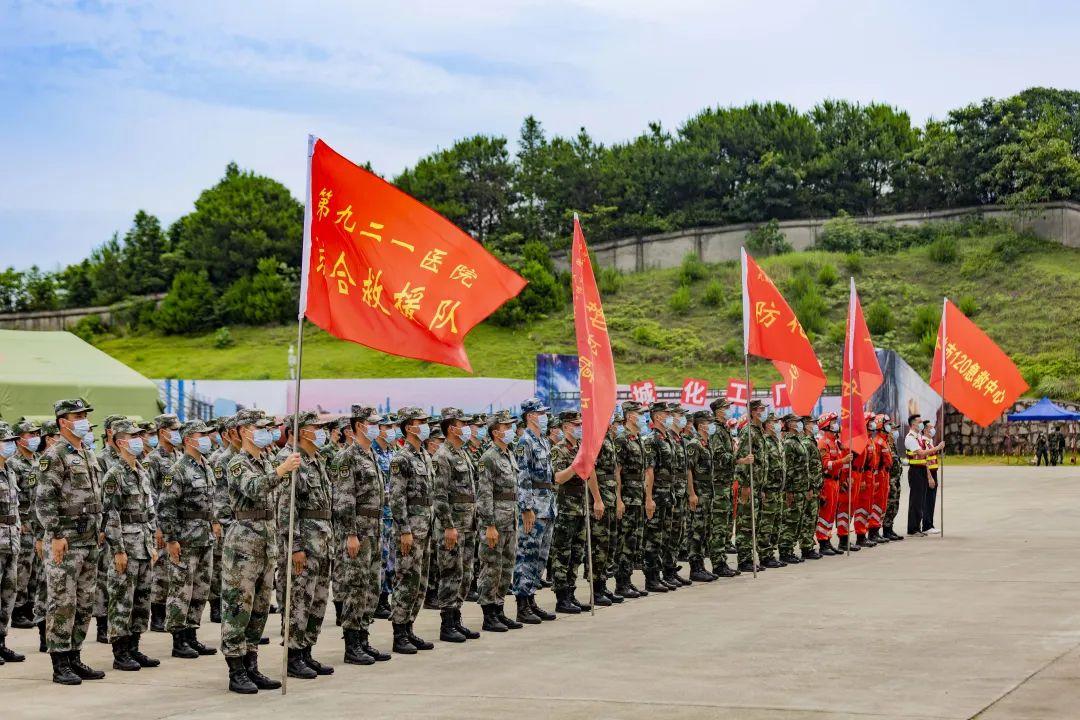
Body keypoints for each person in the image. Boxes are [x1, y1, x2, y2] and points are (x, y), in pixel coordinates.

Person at [220, 409, 301, 694]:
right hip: (243, 543)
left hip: (266, 541)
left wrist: (285, 469)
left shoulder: (265, 458)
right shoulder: (236, 463)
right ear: (243, 430)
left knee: (259, 608)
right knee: (238, 606)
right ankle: (236, 669)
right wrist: (281, 471)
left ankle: (251, 664)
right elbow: (254, 488)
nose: (266, 431)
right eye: (259, 426)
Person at [36, 398, 106, 685]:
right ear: (63, 422)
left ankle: (75, 656)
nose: (84, 420)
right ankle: (59, 662)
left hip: (89, 539)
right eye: (78, 415)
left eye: (85, 415)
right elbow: (44, 499)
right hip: (66, 539)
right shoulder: (55, 455)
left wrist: (100, 528)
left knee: (84, 601)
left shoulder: (88, 454)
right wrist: (55, 534)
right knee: (62, 601)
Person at [277, 411, 334, 679]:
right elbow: (287, 509)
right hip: (305, 543)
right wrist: (296, 545)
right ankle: (293, 654)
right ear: (299, 431)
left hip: (322, 540)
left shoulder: (316, 459)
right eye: (314, 427)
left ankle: (307, 651)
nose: (320, 432)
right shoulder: (290, 460)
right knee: (298, 599)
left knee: (317, 600)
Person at [331, 406, 391, 665]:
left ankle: (364, 637)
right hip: (359, 531)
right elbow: (345, 500)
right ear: (357, 426)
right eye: (371, 422)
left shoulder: (371, 455)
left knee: (371, 586)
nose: (377, 427)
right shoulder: (348, 457)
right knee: (356, 586)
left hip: (375, 528)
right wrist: (350, 534)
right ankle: (351, 644)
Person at [100, 418, 159, 671]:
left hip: (143, 545)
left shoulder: (141, 470)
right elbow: (110, 515)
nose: (140, 440)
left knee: (141, 600)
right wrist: (118, 550)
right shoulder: (114, 475)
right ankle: (120, 651)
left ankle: (134, 647)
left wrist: (153, 541)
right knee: (122, 600)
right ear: (121, 442)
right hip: (126, 546)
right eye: (134, 436)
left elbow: (149, 510)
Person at [158, 420, 218, 660]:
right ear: (187, 439)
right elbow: (166, 507)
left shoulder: (206, 466)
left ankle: (192, 634)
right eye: (200, 434)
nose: (205, 438)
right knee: (181, 589)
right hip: (185, 538)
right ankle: (178, 638)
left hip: (204, 537)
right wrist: (171, 539)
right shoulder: (178, 469)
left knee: (200, 590)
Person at [388, 407, 437, 653]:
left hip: (425, 527)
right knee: (406, 579)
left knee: (421, 581)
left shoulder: (424, 456)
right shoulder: (401, 458)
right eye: (421, 422)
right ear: (409, 427)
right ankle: (399, 632)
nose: (426, 426)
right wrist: (404, 530)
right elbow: (396, 498)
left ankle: (409, 627)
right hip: (410, 530)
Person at [430, 408, 480, 640]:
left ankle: (456, 617)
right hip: (452, 526)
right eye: (463, 423)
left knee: (465, 573)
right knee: (451, 573)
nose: (468, 427)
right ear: (452, 428)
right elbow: (439, 496)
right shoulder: (442, 456)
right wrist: (448, 525)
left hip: (467, 524)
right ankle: (446, 623)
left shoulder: (462, 453)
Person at [549, 410, 603, 614]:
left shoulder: (582, 448)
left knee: (577, 553)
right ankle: (561, 596)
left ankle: (571, 593)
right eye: (575, 424)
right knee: (562, 553)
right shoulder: (559, 450)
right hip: (565, 509)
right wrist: (575, 465)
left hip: (582, 507)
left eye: (581, 424)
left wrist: (597, 499)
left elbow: (590, 474)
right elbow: (558, 478)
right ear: (565, 427)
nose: (580, 428)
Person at [510, 399, 557, 618]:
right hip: (534, 508)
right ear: (530, 415)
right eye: (540, 413)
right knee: (527, 554)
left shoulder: (543, 441)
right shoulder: (524, 442)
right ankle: (521, 604)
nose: (545, 416)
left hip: (547, 505)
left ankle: (531, 598)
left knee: (540, 556)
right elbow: (522, 476)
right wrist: (526, 507)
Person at [475, 411, 520, 632]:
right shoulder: (488, 458)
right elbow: (484, 495)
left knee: (506, 567)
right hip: (495, 522)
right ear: (495, 432)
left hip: (510, 520)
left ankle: (499, 608)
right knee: (491, 567)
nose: (510, 429)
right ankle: (488, 613)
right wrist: (489, 525)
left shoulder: (508, 454)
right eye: (506, 426)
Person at [146, 414, 182, 633]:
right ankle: (157, 615)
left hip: (179, 523)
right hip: (161, 522)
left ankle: (170, 612)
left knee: (175, 569)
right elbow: (150, 494)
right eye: (174, 429)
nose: (177, 433)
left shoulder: (179, 455)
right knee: (160, 571)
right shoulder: (153, 459)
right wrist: (158, 526)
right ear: (162, 432)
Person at [8, 419, 41, 631]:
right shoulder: (14, 464)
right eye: (31, 434)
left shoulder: (39, 460)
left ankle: (30, 606)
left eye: (37, 433)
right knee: (22, 568)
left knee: (36, 569)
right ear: (20, 439)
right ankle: (18, 609)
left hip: (39, 524)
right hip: (24, 525)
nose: (35, 438)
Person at [614, 401, 649, 599]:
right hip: (627, 496)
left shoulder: (637, 438)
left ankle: (627, 580)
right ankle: (621, 583)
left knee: (633, 541)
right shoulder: (622, 439)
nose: (642, 416)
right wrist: (619, 499)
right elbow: (617, 472)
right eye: (639, 413)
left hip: (637, 496)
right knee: (624, 542)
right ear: (629, 416)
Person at [0, 422, 26, 666]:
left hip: (11, 542)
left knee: (8, 595)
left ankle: (1, 642)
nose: (11, 445)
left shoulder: (8, 470)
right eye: (6, 441)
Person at [708, 398, 741, 578]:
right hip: (718, 484)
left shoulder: (724, 429)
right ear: (718, 411)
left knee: (726, 524)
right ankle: (718, 563)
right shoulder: (715, 429)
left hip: (726, 483)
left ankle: (722, 560)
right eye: (726, 408)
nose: (729, 410)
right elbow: (718, 455)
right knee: (719, 526)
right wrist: (738, 458)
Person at [735, 400, 768, 572]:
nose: (764, 412)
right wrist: (745, 485)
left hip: (757, 485)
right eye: (761, 409)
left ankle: (750, 557)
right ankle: (744, 559)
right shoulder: (748, 431)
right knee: (746, 524)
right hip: (749, 485)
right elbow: (742, 460)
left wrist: (760, 486)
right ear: (754, 412)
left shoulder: (758, 431)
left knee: (754, 523)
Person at [685, 410, 716, 582]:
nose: (710, 425)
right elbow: (688, 470)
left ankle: (701, 566)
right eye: (708, 422)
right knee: (696, 531)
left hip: (707, 493)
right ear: (701, 425)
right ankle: (694, 568)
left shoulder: (706, 443)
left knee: (704, 531)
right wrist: (691, 493)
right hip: (698, 493)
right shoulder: (694, 444)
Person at [665, 403, 691, 587]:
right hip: (669, 492)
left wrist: (690, 492)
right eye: (679, 414)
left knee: (677, 533)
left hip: (681, 492)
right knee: (667, 533)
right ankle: (665, 571)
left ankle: (671, 568)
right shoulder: (667, 439)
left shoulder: (680, 439)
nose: (683, 418)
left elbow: (686, 469)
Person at [778, 413, 808, 564]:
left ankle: (790, 549)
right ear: (789, 424)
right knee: (790, 521)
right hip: (793, 489)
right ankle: (785, 550)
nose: (800, 423)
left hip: (801, 487)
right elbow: (787, 468)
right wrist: (788, 490)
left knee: (797, 521)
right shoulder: (789, 442)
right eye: (796, 421)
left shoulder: (798, 440)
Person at [905, 414, 942, 537]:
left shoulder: (919, 438)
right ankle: (913, 528)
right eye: (919, 422)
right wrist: (937, 448)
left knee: (920, 501)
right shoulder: (910, 438)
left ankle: (917, 527)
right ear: (913, 424)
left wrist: (928, 475)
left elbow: (925, 459)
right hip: (915, 471)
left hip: (921, 470)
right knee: (915, 501)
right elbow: (921, 453)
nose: (921, 423)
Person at [798, 416, 824, 559]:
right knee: (808, 517)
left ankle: (809, 545)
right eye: (812, 423)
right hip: (810, 487)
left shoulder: (811, 441)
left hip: (815, 486)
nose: (815, 425)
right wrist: (809, 486)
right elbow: (806, 467)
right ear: (805, 426)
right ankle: (806, 547)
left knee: (812, 517)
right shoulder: (806, 443)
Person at [853, 412, 880, 549]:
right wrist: (863, 479)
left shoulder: (869, 440)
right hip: (863, 476)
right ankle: (860, 536)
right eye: (870, 422)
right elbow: (858, 463)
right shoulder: (861, 440)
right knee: (861, 508)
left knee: (868, 507)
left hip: (871, 476)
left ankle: (864, 533)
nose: (873, 424)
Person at [922, 421, 941, 535]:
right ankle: (927, 525)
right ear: (925, 429)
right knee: (928, 500)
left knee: (932, 499)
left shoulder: (930, 441)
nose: (933, 429)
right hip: (929, 472)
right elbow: (925, 460)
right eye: (930, 427)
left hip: (934, 471)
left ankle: (930, 524)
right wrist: (929, 477)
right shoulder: (924, 441)